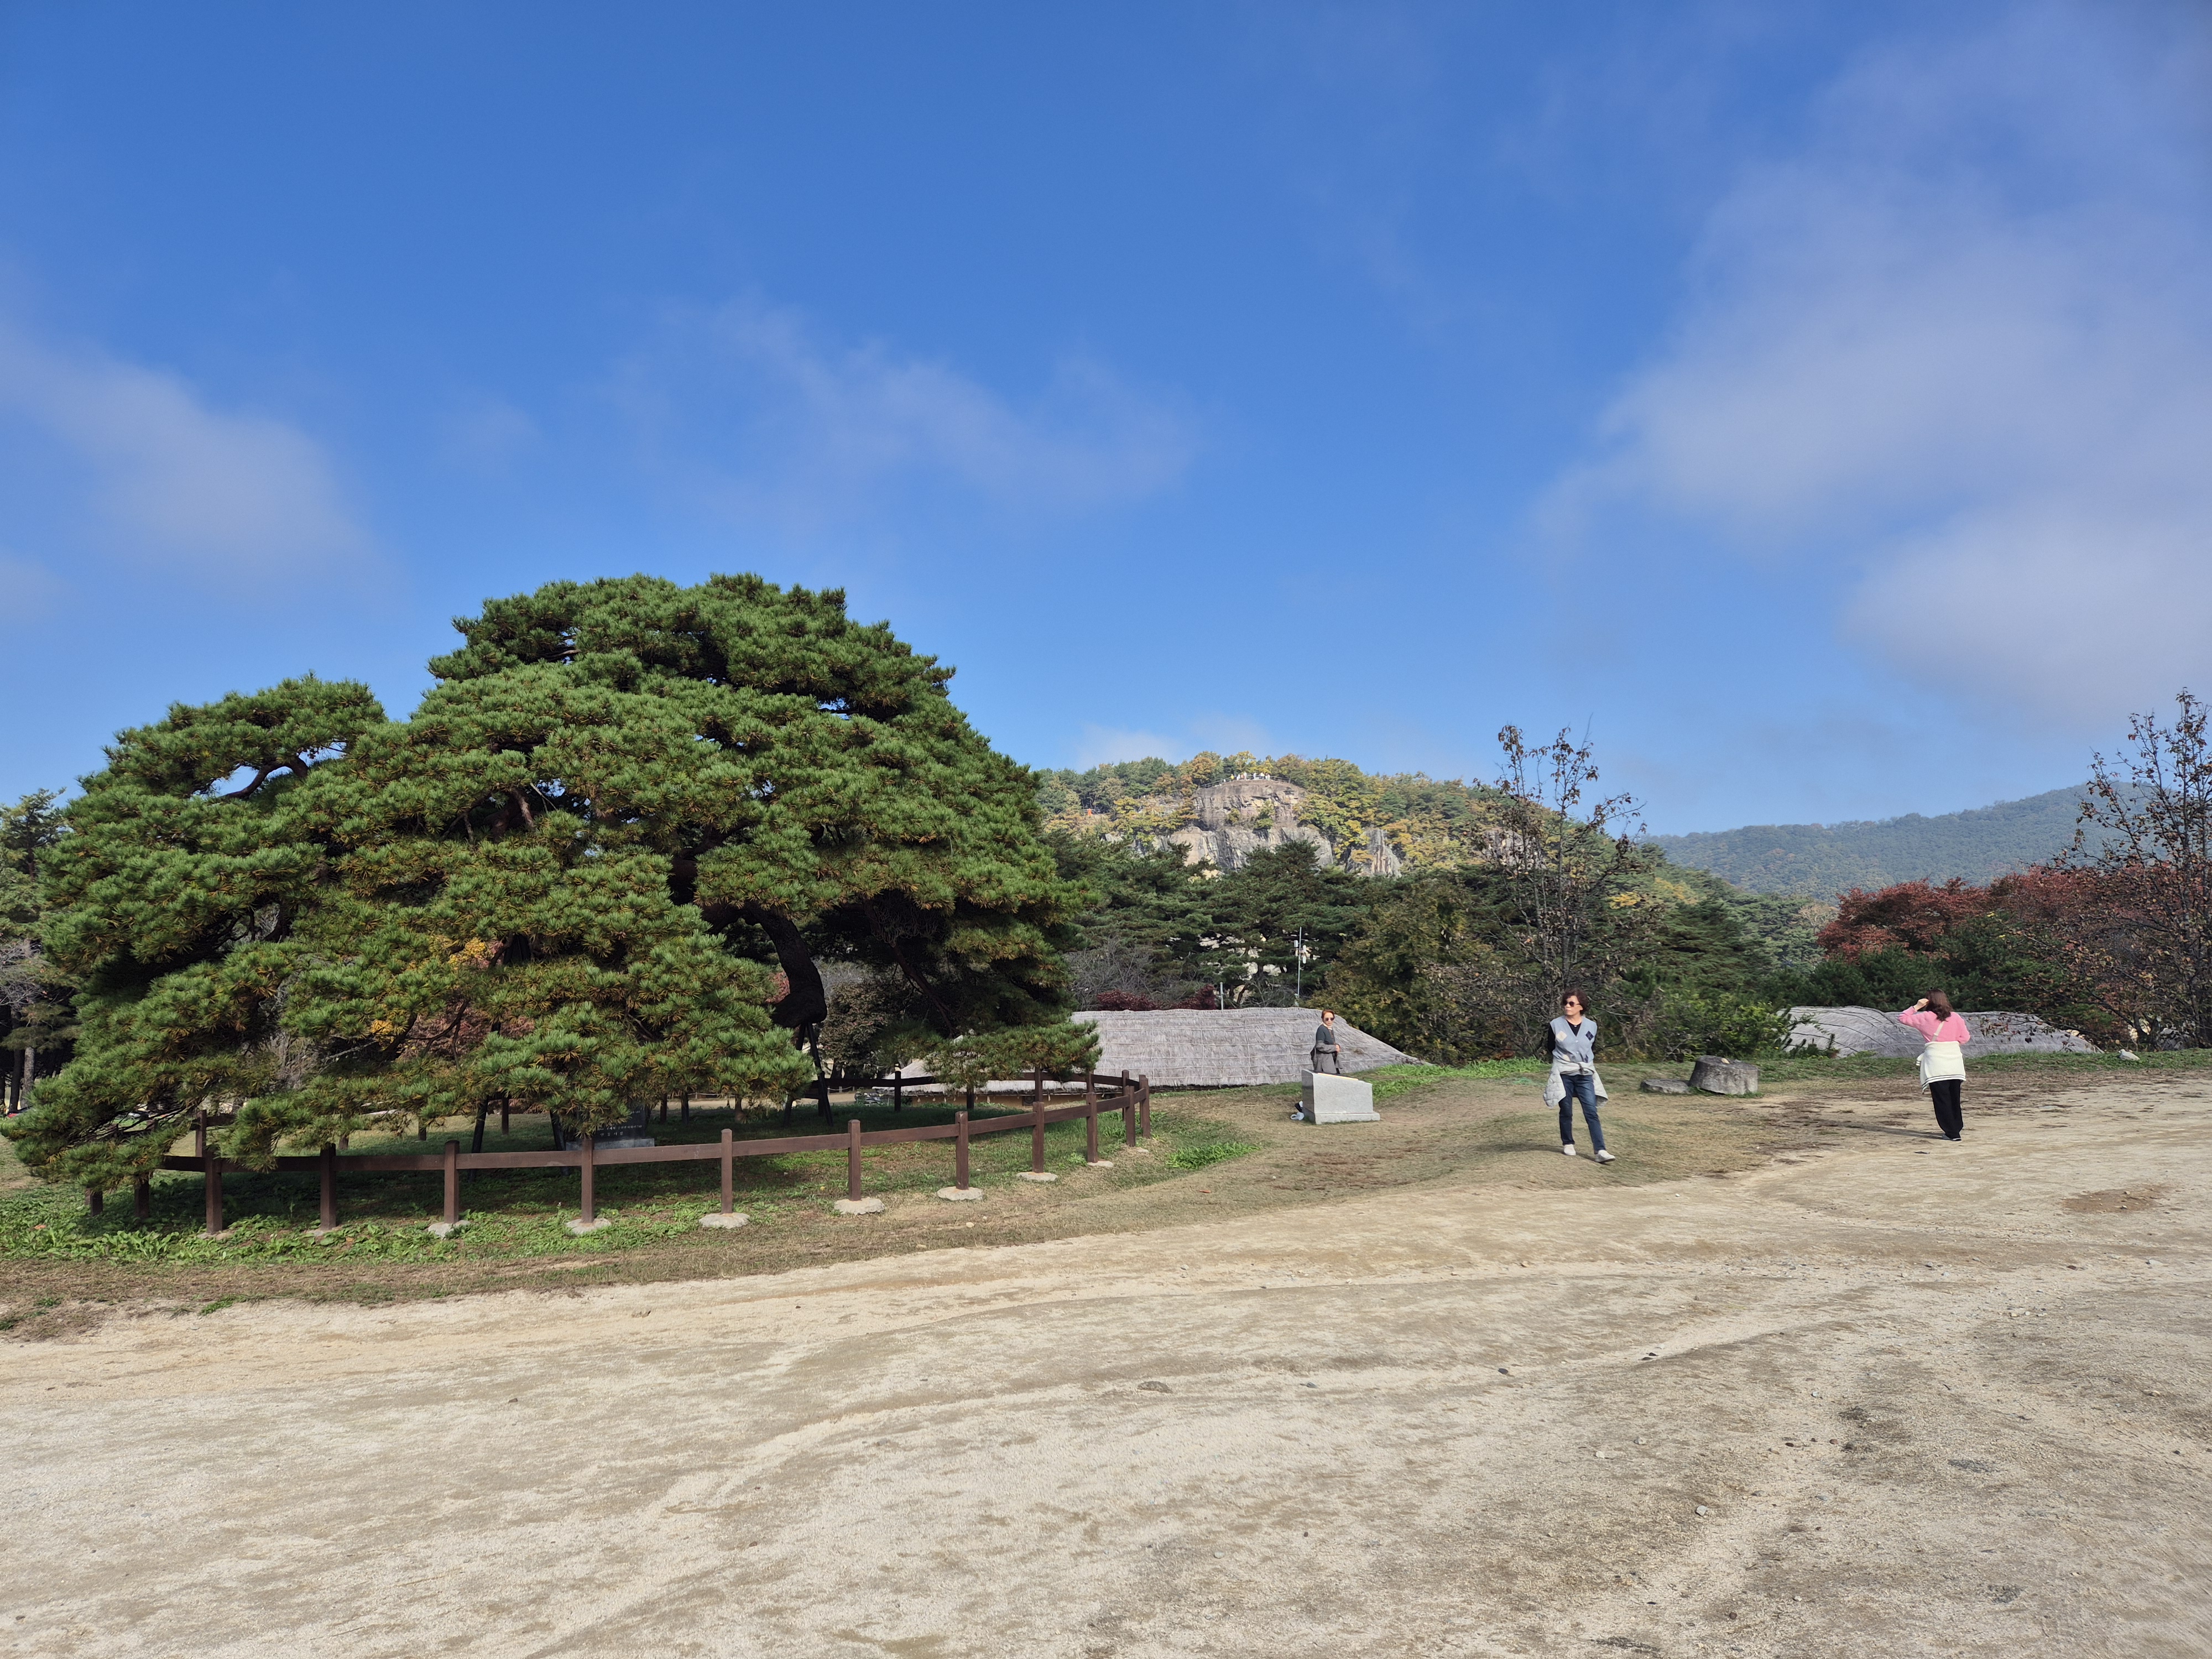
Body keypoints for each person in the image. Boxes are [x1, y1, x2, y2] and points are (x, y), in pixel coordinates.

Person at [1545, 990, 1613, 1164]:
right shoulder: (1555, 1025)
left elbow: (1592, 1047)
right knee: (1566, 1109)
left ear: (1581, 1007)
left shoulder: (1592, 1026)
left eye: (1572, 1003)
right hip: (1564, 1073)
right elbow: (1550, 1046)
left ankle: (1601, 1150)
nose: (1567, 1006)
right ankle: (1568, 1142)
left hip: (1585, 1074)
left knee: (1591, 1111)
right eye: (1566, 1003)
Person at [1898, 993, 1971, 1141]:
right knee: (1954, 1097)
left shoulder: (1924, 1017)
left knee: (1941, 1097)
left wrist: (1917, 1006)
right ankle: (1957, 1127)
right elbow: (1965, 1038)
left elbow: (1903, 1018)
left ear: (1928, 1002)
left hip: (1936, 1062)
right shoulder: (1956, 1017)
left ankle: (1951, 1132)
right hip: (1955, 1061)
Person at [1311, 1010, 1344, 1074]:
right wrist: (1334, 1048)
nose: (1329, 1021)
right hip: (1324, 1061)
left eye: (1331, 1019)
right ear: (1323, 1019)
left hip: (1330, 1060)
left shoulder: (1329, 1028)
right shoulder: (1322, 1029)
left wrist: (1337, 1046)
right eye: (1327, 1019)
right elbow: (1319, 1046)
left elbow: (1330, 1042)